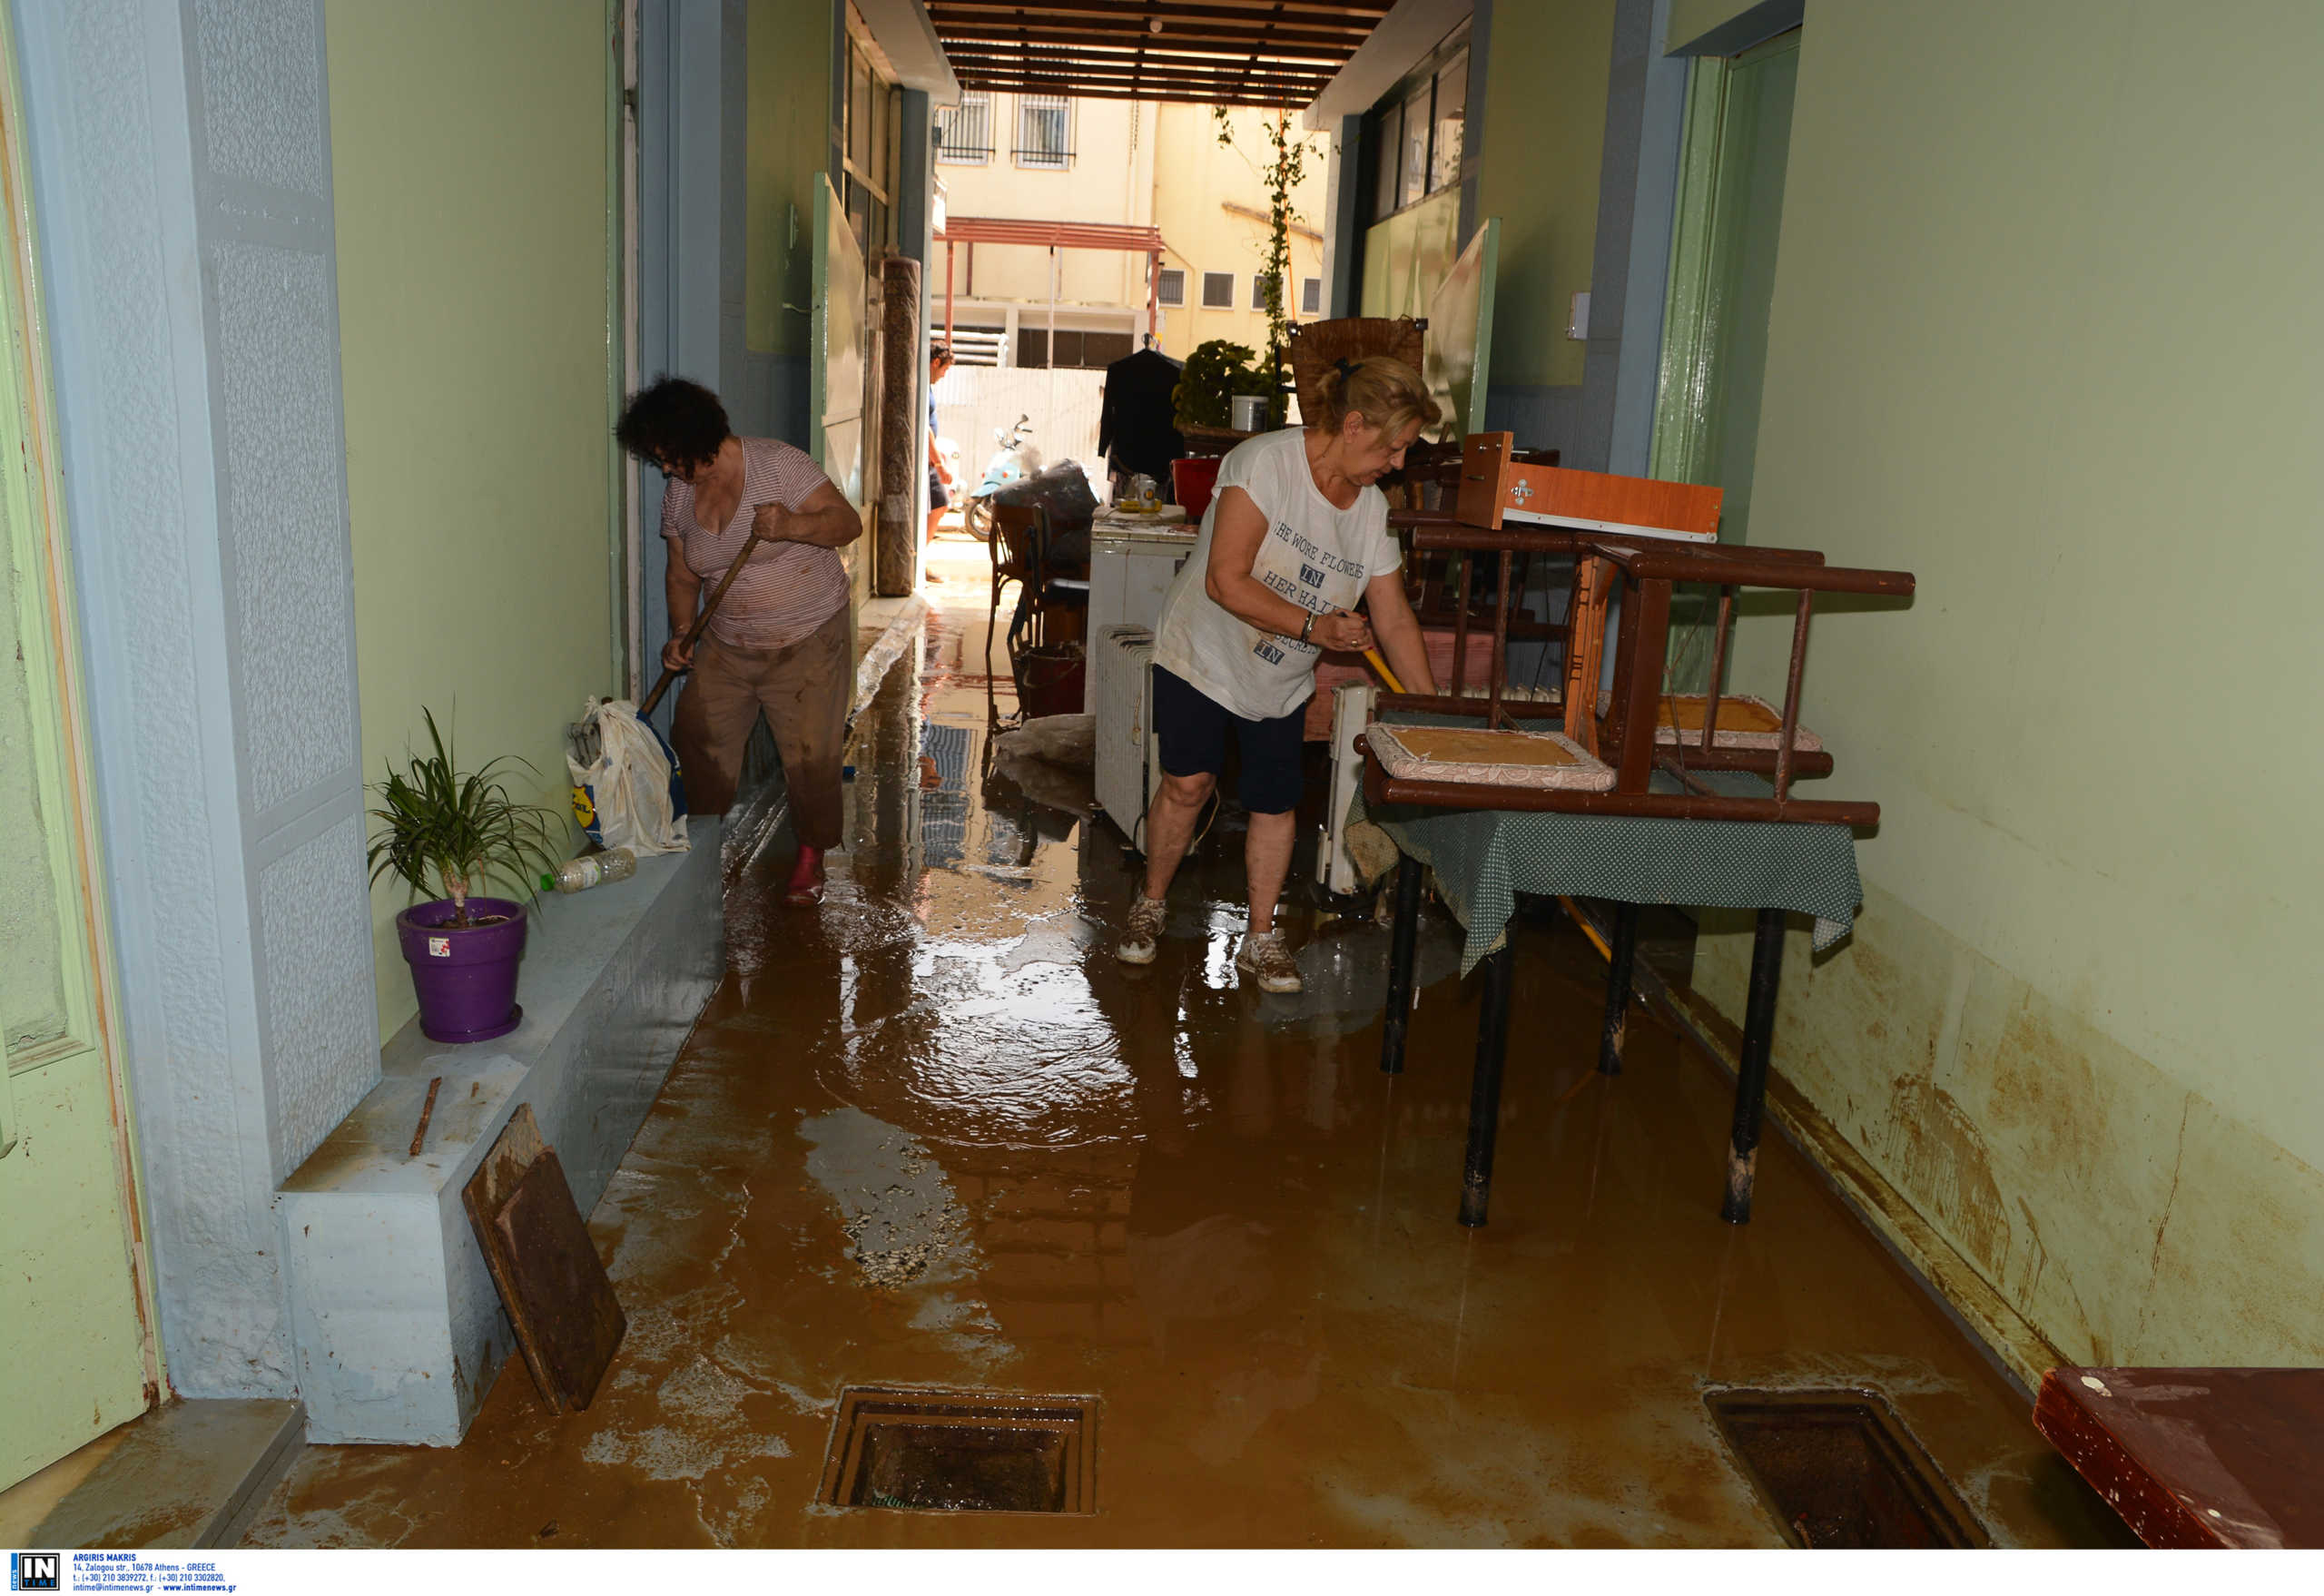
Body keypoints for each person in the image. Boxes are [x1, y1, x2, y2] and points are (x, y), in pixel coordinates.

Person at [1118, 357, 1442, 992]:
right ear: (1354, 426)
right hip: (1204, 651)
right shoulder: (1266, 465)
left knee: (1275, 799)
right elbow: (1223, 580)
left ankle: (1261, 937)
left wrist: (1431, 714)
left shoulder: (1371, 511)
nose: (1398, 464)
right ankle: (1151, 902)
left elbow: (1395, 618)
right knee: (1189, 782)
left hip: (1279, 676)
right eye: (1394, 447)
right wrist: (1316, 629)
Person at [616, 377, 862, 907]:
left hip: (808, 637)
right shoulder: (680, 494)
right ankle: (702, 849)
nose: (665, 470)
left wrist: (793, 524)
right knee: (697, 740)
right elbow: (682, 575)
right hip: (727, 644)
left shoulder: (778, 465)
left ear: (696, 439)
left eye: (669, 457)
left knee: (810, 754)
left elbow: (848, 523)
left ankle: (810, 855)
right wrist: (682, 633)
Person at [923, 342, 955, 572]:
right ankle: (918, 559)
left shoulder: (927, 387)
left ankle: (919, 558)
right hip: (927, 461)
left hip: (929, 457)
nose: (944, 375)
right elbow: (925, 429)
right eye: (944, 369)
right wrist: (939, 463)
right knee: (940, 504)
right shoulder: (923, 387)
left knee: (937, 505)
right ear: (936, 363)